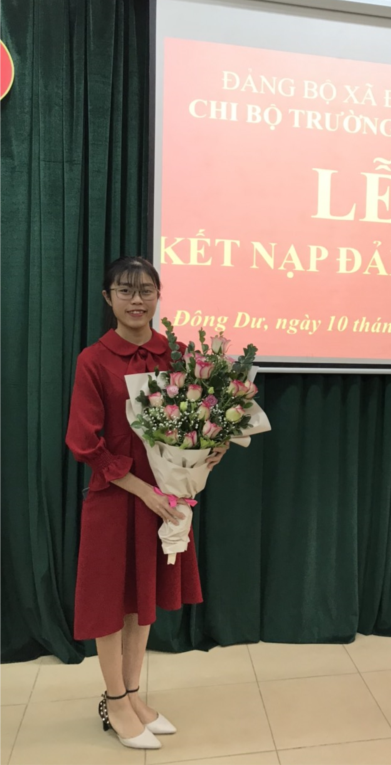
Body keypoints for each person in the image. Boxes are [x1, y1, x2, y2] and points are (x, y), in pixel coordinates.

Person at [66, 256, 228, 750]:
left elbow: (202, 416)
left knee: (141, 600)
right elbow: (84, 442)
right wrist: (143, 490)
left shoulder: (176, 357)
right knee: (109, 602)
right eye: (125, 290)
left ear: (158, 296)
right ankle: (114, 702)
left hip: (165, 496)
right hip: (118, 497)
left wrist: (213, 446)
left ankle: (133, 694)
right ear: (108, 297)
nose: (136, 300)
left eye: (146, 290)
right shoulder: (93, 360)